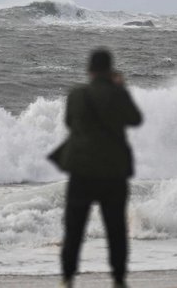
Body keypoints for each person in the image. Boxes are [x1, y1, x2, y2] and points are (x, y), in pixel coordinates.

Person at [57, 47, 143, 288]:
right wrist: (120, 88)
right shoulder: (117, 94)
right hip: (113, 174)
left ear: (89, 70)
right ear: (109, 70)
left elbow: (68, 122)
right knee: (115, 229)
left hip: (81, 172)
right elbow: (135, 119)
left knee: (74, 229)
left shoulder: (76, 95)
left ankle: (67, 278)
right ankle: (118, 279)